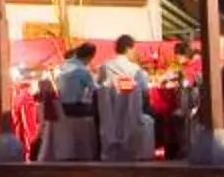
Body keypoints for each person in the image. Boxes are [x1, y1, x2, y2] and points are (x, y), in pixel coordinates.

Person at [98, 33, 151, 162]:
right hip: (131, 112)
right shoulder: (134, 69)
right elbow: (145, 91)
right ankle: (139, 151)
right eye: (134, 48)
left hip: (109, 112)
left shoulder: (105, 66)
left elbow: (99, 85)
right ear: (128, 48)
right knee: (150, 119)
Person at [48, 42, 101, 161]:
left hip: (60, 107)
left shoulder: (63, 65)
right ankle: (97, 149)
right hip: (74, 108)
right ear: (90, 57)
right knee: (101, 113)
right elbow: (96, 89)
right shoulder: (82, 70)